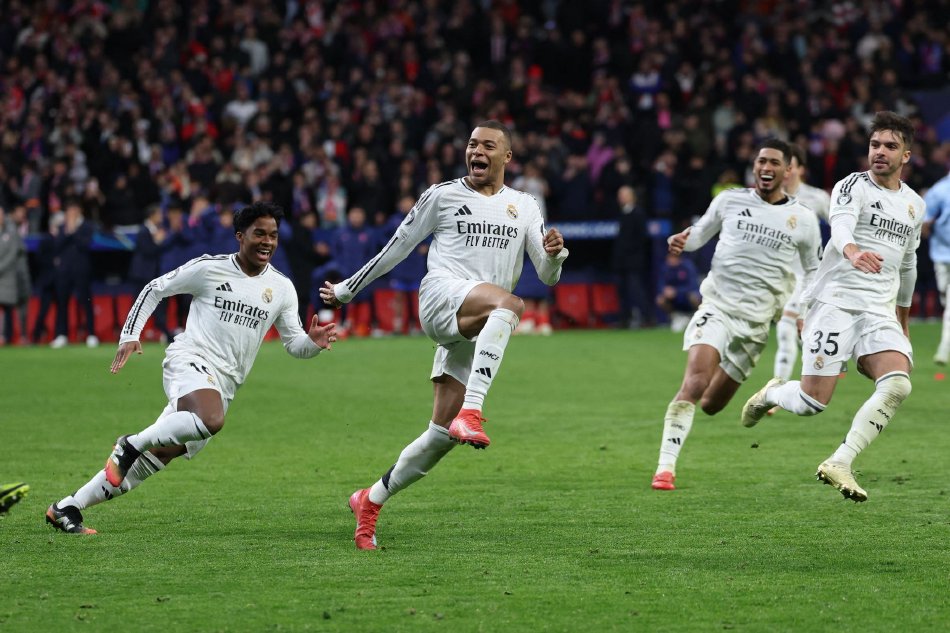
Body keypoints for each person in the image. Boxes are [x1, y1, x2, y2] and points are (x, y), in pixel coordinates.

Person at [319, 120, 568, 550]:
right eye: (472, 144)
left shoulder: (525, 205)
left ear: (507, 157)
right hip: (441, 298)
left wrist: (555, 255)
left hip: (481, 321)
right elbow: (396, 247)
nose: (477, 151)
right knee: (512, 305)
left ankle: (370, 499)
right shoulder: (443, 195)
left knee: (440, 436)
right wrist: (347, 289)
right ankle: (473, 410)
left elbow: (546, 276)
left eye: (487, 145)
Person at [45, 202, 338, 534]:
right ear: (240, 236)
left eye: (273, 235)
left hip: (224, 385)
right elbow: (155, 288)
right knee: (211, 420)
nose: (267, 242)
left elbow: (293, 344)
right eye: (259, 234)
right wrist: (130, 333)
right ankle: (129, 444)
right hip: (190, 360)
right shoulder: (209, 268)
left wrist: (312, 343)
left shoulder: (282, 287)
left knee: (155, 459)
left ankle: (68, 507)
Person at [741, 111, 924, 502]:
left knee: (898, 383)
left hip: (878, 310)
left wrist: (903, 319)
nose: (880, 152)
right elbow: (840, 225)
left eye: (890, 146)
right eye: (875, 144)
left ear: (905, 155)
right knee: (812, 402)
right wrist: (853, 251)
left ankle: (840, 461)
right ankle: (773, 393)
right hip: (834, 302)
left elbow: (908, 264)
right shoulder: (852, 186)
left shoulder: (914, 204)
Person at [651, 139, 822, 492]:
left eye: (774, 162)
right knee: (694, 383)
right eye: (761, 161)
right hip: (718, 308)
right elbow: (699, 235)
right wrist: (682, 240)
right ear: (754, 166)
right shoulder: (730, 200)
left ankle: (770, 394)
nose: (766, 168)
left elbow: (813, 271)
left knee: (712, 405)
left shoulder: (803, 219)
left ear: (788, 170)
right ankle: (665, 469)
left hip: (756, 324)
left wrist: (805, 312)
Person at [772, 144, 831, 381]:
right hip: (778, 276)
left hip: (805, 275)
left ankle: (777, 385)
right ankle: (822, 360)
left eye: (791, 166)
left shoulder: (816, 198)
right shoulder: (768, 198)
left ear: (801, 169)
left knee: (786, 328)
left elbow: (841, 228)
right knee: (798, 331)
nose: (786, 172)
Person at [49, 200, 98, 348]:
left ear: (79, 211)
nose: (70, 214)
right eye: (68, 211)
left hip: (81, 270)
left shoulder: (87, 226)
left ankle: (91, 334)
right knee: (62, 303)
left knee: (86, 302)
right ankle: (61, 335)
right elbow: (56, 246)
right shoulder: (62, 227)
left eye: (73, 210)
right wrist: (67, 232)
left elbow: (85, 244)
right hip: (64, 271)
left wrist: (73, 231)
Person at [923, 166, 950, 365]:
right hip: (941, 255)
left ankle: (944, 349)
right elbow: (924, 221)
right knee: (944, 298)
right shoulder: (939, 190)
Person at [655, 251, 701, 331]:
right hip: (673, 299)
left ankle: (697, 317)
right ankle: (676, 317)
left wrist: (677, 291)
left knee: (694, 297)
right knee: (660, 299)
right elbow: (660, 285)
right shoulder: (665, 268)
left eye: (673, 257)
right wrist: (665, 291)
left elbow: (693, 286)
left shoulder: (688, 266)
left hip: (686, 296)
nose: (671, 260)